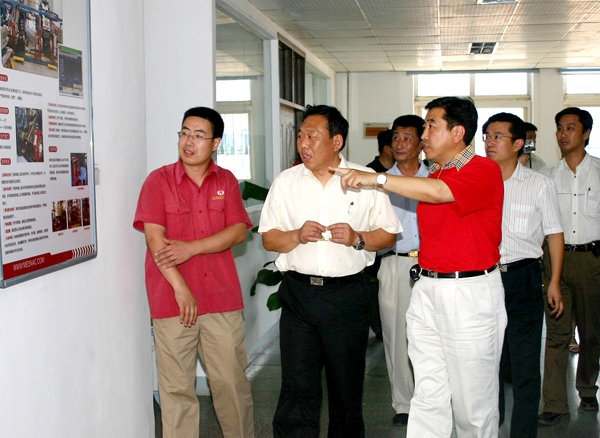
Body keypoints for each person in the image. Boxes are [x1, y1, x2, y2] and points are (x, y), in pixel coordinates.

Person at [332, 96, 507, 437]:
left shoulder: (482, 170)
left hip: (468, 293)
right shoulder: (436, 172)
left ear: (458, 132)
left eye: (431, 126)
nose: (423, 134)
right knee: (428, 394)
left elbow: (439, 192)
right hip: (427, 287)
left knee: (473, 402)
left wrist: (375, 179)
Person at [259, 105, 402, 438]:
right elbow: (269, 238)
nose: (303, 144)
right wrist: (296, 235)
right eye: (300, 136)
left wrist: (357, 238)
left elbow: (388, 234)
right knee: (297, 385)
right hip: (299, 296)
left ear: (337, 141)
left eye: (312, 136)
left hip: (346, 296)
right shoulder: (286, 182)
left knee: (346, 386)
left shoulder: (364, 180)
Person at [133, 107, 255, 438]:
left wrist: (192, 248)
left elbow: (237, 232)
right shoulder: (158, 181)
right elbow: (155, 240)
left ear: (215, 143)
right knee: (176, 391)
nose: (189, 141)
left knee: (231, 384)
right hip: (172, 301)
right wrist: (181, 288)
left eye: (199, 136)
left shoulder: (225, 181)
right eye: (184, 133)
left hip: (221, 299)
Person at [483, 112, 564, 437]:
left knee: (525, 362)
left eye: (498, 136)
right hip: (484, 278)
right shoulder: (477, 182)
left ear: (518, 144)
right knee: (487, 362)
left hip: (524, 277)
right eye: (487, 136)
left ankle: (523, 432)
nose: (490, 142)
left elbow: (554, 234)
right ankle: (491, 426)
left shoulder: (539, 184)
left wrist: (554, 281)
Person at [538, 107, 600, 425]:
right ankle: (554, 403)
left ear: (586, 133)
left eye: (570, 128)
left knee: (592, 332)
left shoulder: (599, 172)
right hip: (556, 262)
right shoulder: (549, 177)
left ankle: (587, 388)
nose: (563, 134)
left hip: (592, 261)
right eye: (560, 128)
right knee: (557, 334)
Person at [376, 115, 428, 427]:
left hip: (432, 264)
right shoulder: (379, 182)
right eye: (396, 137)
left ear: (422, 143)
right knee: (396, 337)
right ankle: (403, 404)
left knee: (430, 337)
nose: (399, 143)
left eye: (408, 137)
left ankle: (430, 399)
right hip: (395, 263)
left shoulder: (435, 178)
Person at [363, 130, 394, 340]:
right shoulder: (368, 174)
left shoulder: (403, 174)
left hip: (395, 248)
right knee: (375, 292)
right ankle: (379, 329)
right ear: (387, 148)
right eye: (396, 140)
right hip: (375, 248)